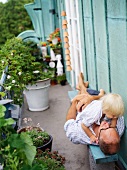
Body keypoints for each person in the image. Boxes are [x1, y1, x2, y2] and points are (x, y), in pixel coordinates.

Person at [64, 73, 125, 154]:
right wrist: (112, 126)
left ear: (97, 140)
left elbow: (70, 123)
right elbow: (114, 112)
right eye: (111, 127)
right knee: (88, 96)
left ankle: (81, 85)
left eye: (105, 128)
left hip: (84, 110)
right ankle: (84, 87)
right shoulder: (117, 131)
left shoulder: (77, 134)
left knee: (83, 97)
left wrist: (75, 101)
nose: (107, 124)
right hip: (97, 103)